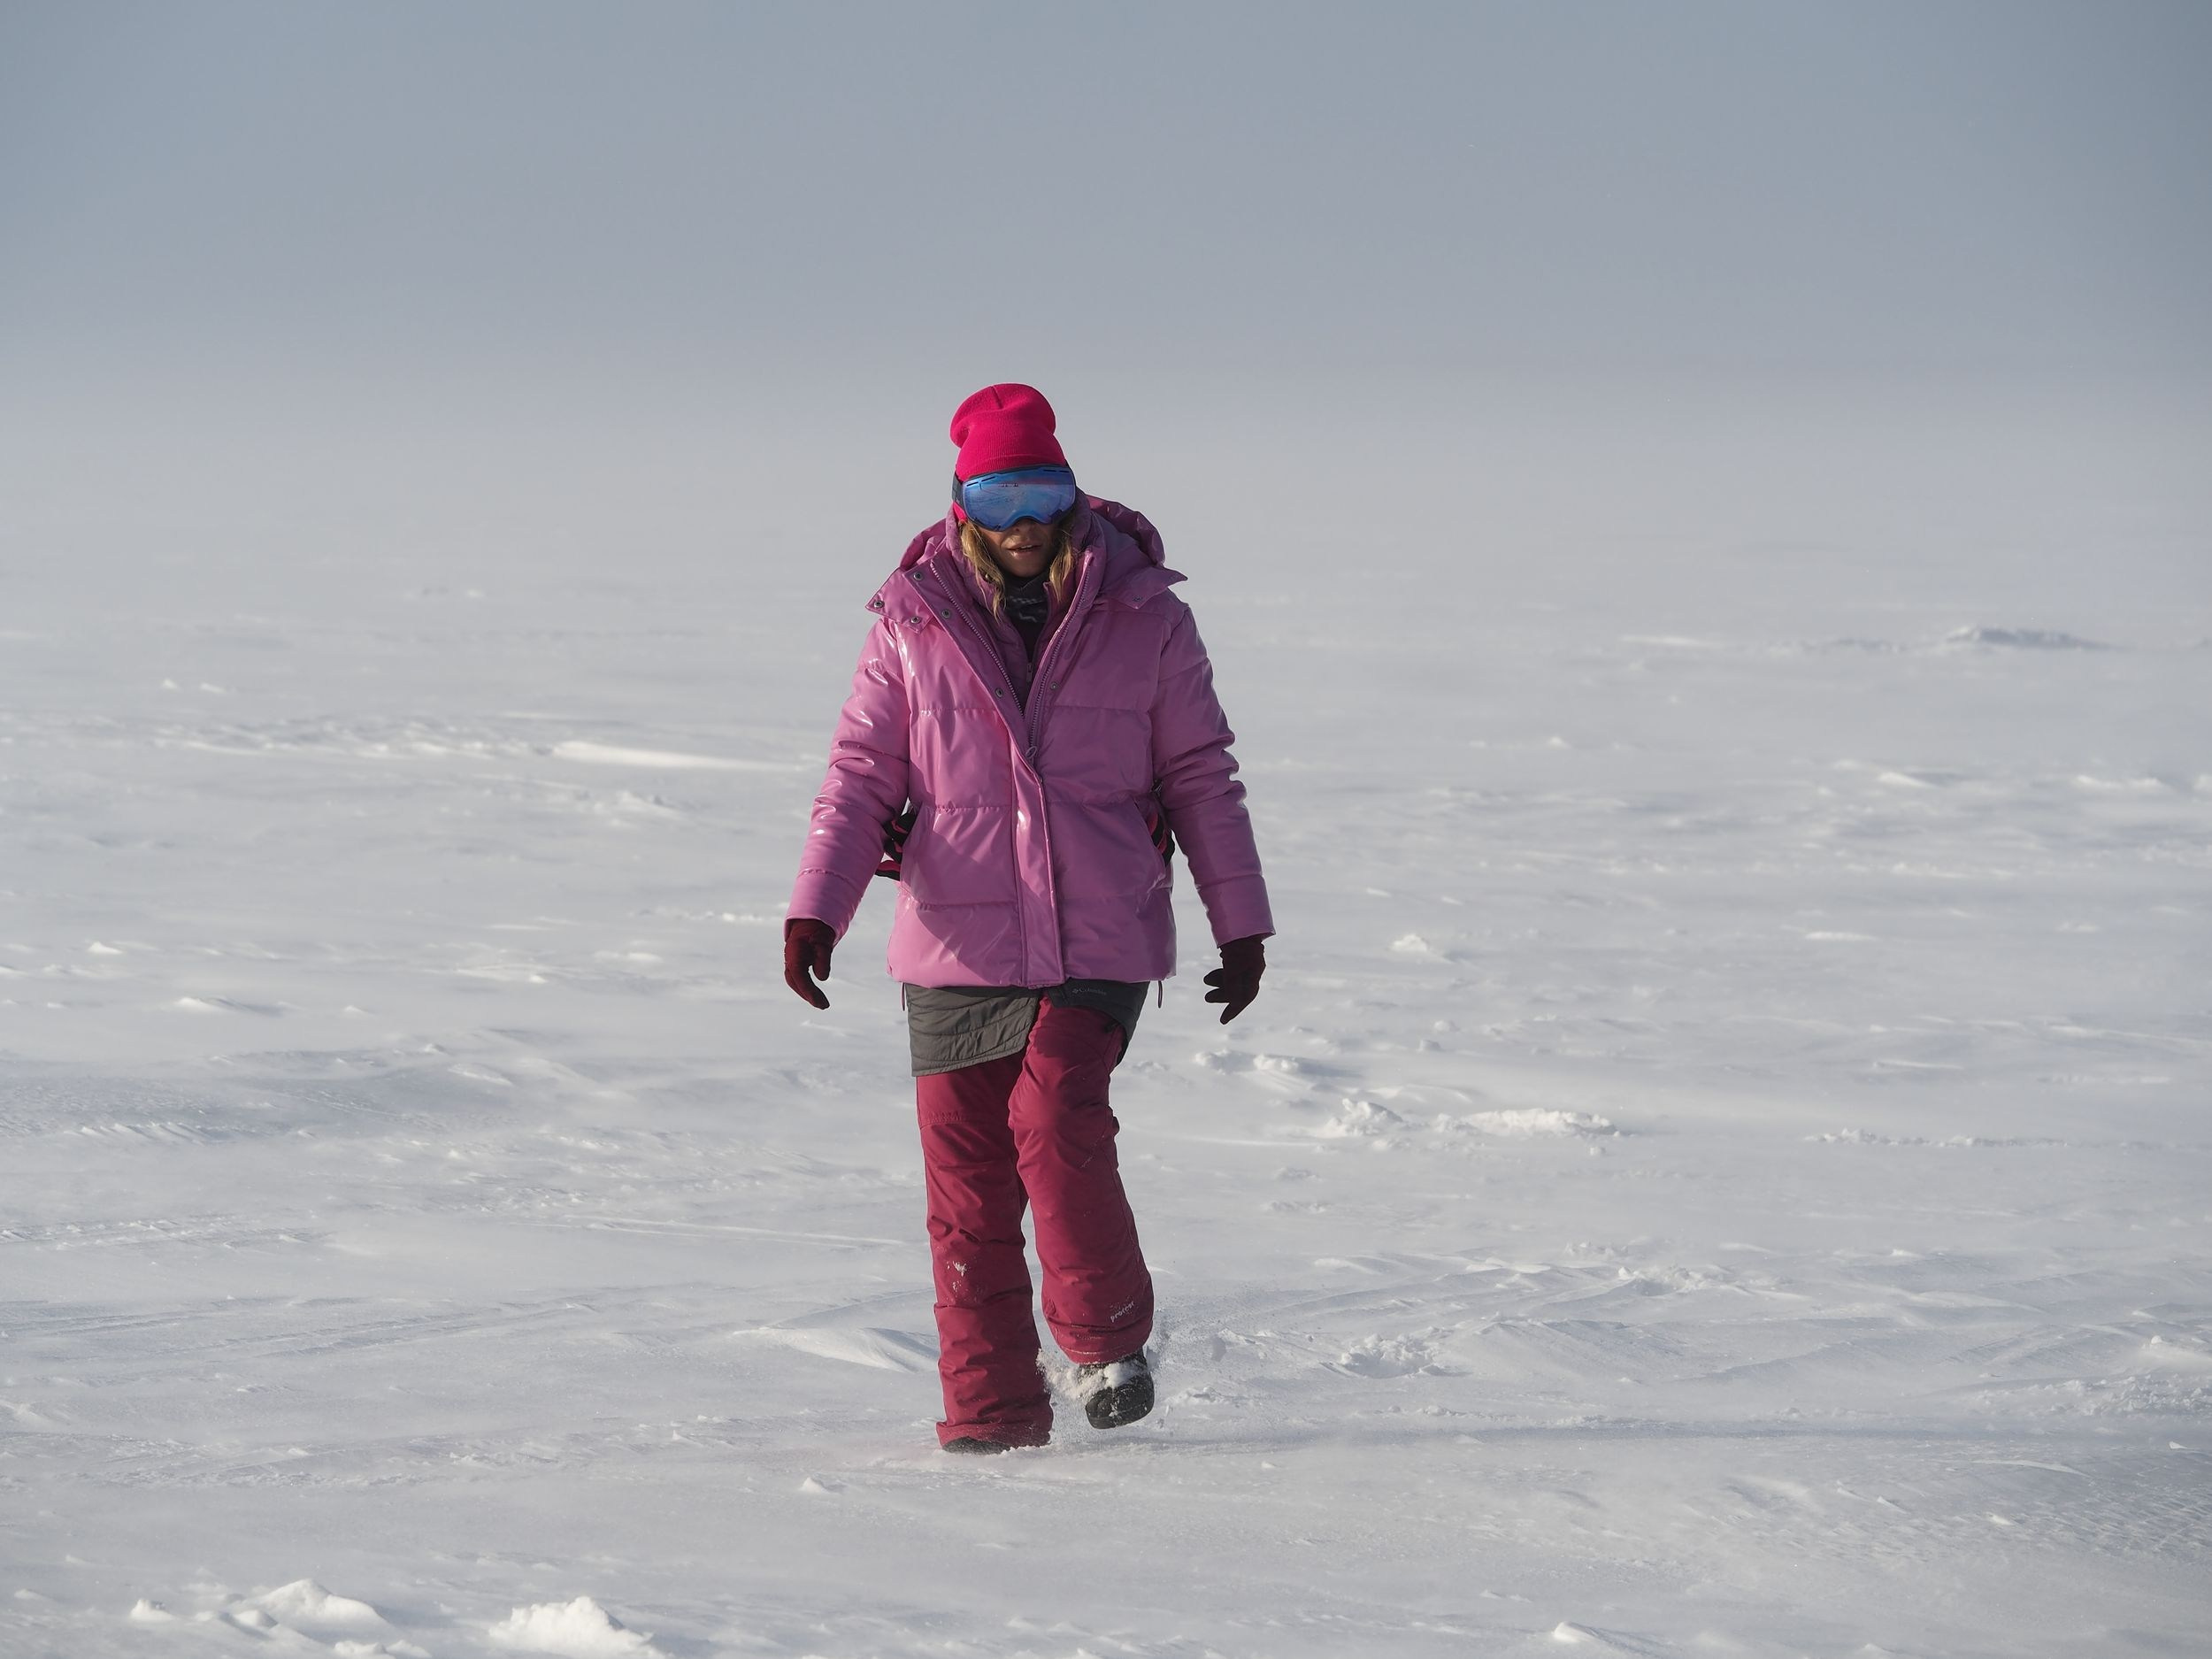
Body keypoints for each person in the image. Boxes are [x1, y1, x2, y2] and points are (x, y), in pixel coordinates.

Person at [782, 383, 1273, 1454]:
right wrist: (818, 909)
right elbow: (859, 776)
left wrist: (1240, 923)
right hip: (954, 940)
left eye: (1041, 491)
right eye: (998, 494)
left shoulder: (1147, 617)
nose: (1021, 521)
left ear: (1070, 494)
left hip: (1097, 931)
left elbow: (1199, 774)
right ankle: (993, 1422)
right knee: (966, 1194)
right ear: (963, 502)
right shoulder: (909, 623)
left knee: (1053, 1123)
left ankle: (1103, 1344)